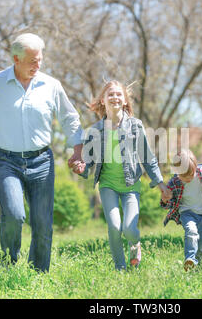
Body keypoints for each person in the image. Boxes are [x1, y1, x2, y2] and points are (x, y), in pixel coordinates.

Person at [0, 33, 83, 273]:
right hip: (7, 161)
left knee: (42, 223)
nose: (37, 65)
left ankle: (39, 273)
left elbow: (70, 118)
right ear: (15, 59)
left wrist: (77, 150)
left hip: (42, 161)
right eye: (31, 61)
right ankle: (10, 265)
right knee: (14, 216)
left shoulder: (51, 85)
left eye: (40, 59)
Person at [71, 80, 171, 270]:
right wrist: (81, 167)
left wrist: (160, 184)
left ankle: (135, 246)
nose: (114, 97)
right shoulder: (96, 130)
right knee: (115, 227)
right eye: (110, 94)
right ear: (103, 100)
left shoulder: (135, 126)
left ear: (125, 100)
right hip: (107, 185)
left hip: (131, 185)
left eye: (118, 94)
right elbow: (88, 161)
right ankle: (120, 268)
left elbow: (147, 157)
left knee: (130, 229)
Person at [161, 149, 202, 272]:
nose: (187, 178)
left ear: (195, 167)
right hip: (187, 213)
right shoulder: (174, 182)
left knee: (201, 246)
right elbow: (168, 204)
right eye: (183, 176)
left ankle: (195, 266)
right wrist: (166, 200)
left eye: (190, 175)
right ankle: (189, 259)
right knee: (191, 231)